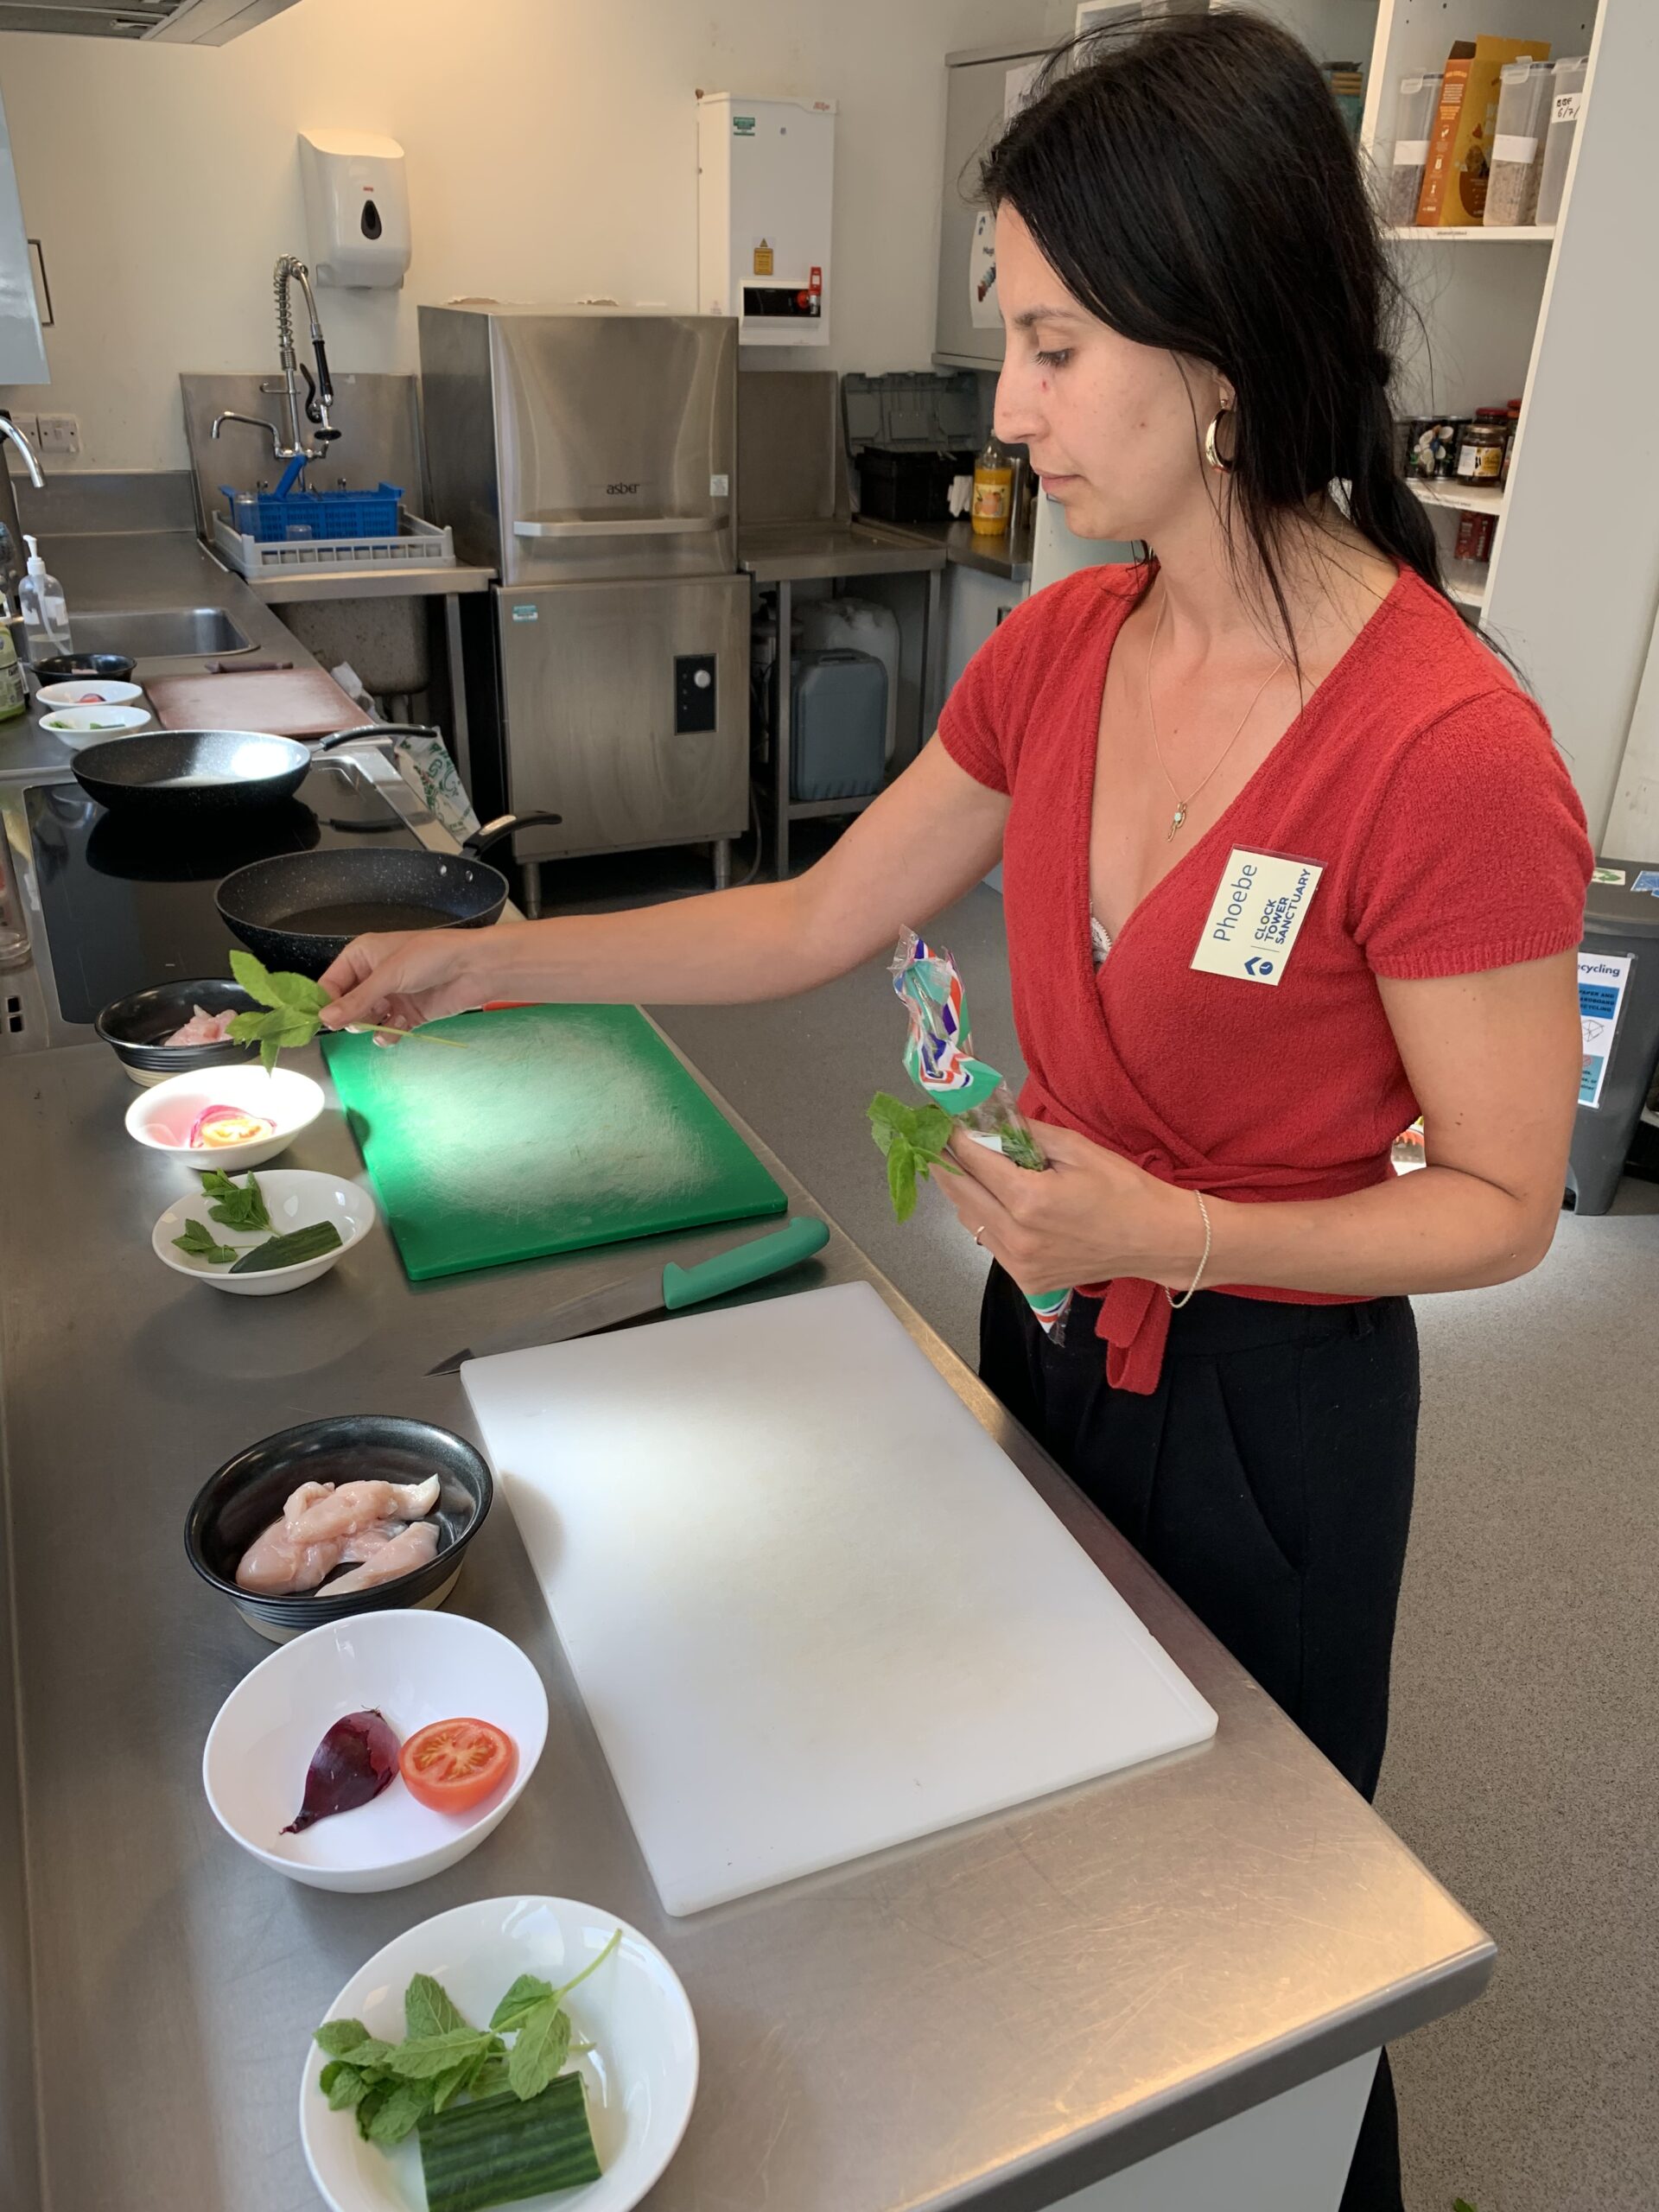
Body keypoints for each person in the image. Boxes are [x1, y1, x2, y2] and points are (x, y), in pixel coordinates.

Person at [320, 15, 1591, 2204]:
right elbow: (815, 918)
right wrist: (489, 952)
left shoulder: (1447, 749)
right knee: (1046, 1830)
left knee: (1257, 1913)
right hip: (1053, 1324)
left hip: (1271, 1403)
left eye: (1052, 342)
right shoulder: (1068, 646)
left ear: (1221, 348)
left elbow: (1503, 1207)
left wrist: (1168, 1232)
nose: (1006, 405)